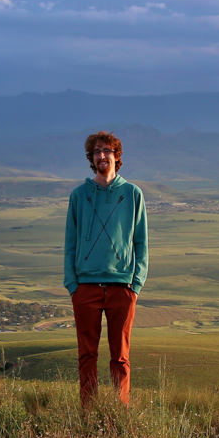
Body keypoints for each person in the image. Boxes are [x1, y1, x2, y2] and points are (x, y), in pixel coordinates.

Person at [64, 131, 148, 407]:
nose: (102, 156)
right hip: (85, 287)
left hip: (121, 288)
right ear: (91, 158)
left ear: (117, 155)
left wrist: (135, 285)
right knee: (86, 356)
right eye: (97, 151)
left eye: (107, 151)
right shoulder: (79, 196)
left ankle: (119, 413)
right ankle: (88, 414)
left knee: (120, 356)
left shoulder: (132, 194)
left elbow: (141, 242)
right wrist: (72, 285)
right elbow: (70, 242)